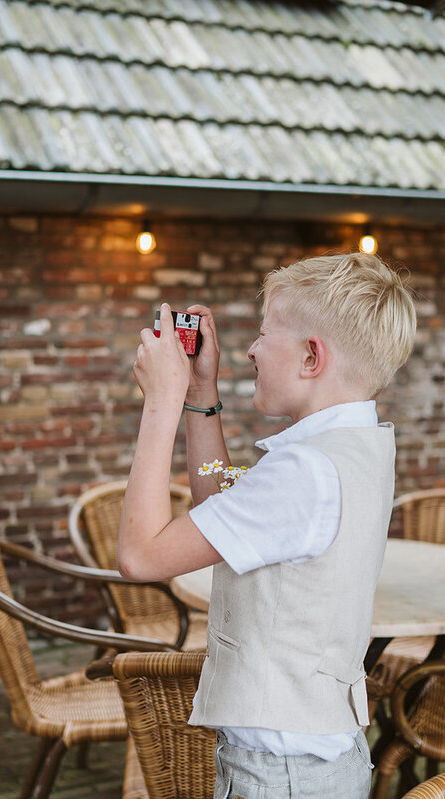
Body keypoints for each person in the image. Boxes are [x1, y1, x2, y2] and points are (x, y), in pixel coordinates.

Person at [118, 252, 417, 799]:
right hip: (313, 759)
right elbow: (222, 506)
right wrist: (201, 400)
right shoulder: (346, 449)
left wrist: (159, 401)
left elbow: (139, 557)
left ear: (310, 357)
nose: (252, 349)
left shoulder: (304, 472)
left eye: (263, 333)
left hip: (280, 777)